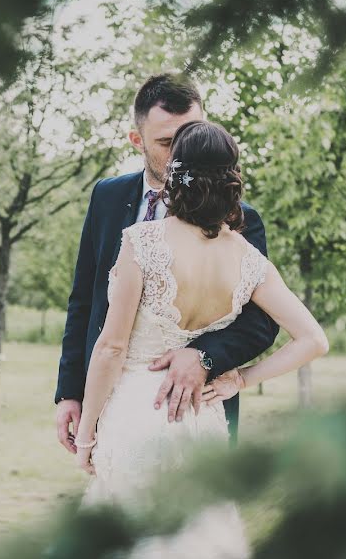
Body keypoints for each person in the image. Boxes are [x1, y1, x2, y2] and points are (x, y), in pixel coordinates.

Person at [71, 119, 329, 558]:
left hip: (136, 414)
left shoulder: (142, 243)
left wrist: (86, 436)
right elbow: (313, 339)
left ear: (176, 175)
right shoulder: (250, 261)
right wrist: (241, 380)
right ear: (232, 182)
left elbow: (111, 348)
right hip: (202, 421)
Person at [55, 74, 278, 453]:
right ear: (137, 141)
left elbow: (261, 322)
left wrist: (205, 357)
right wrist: (70, 393)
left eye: (190, 135)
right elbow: (85, 302)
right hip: (115, 407)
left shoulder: (239, 218)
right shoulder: (107, 197)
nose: (182, 154)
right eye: (165, 142)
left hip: (197, 406)